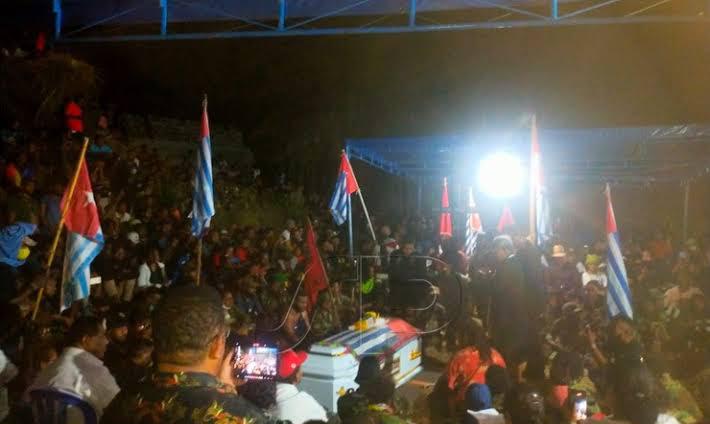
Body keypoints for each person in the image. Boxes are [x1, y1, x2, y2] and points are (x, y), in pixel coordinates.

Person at [101, 285, 269, 423]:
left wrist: (225, 388)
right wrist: (227, 392)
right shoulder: (243, 418)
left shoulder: (122, 404)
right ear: (217, 345)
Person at [26, 316, 119, 419]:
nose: (107, 341)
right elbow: (121, 410)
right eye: (102, 336)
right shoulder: (98, 373)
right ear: (85, 339)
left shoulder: (45, 374)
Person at [269, 349, 327, 424]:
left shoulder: (264, 399)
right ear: (296, 375)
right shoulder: (305, 401)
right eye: (300, 368)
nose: (302, 372)